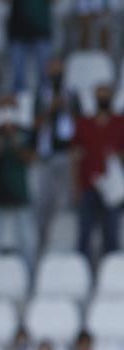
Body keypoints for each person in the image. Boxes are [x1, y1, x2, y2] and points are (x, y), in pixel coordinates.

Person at [0, 95, 38, 268]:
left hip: (20, 192)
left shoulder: (26, 132)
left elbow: (31, 159)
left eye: (10, 108)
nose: (7, 113)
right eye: (3, 108)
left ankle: (30, 275)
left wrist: (15, 143)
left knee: (27, 239)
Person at [72, 84, 124, 266]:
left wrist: (117, 155)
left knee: (111, 234)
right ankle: (80, 274)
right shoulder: (84, 123)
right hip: (88, 184)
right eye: (99, 93)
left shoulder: (120, 122)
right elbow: (76, 156)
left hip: (111, 187)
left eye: (106, 93)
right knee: (84, 234)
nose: (103, 97)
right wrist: (76, 186)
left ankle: (112, 275)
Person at [34, 57, 77, 253]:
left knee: (67, 203)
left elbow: (80, 122)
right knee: (44, 204)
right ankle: (43, 245)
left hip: (67, 153)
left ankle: (66, 246)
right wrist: (51, 108)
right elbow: (35, 124)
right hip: (48, 154)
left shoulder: (72, 94)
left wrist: (66, 107)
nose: (56, 72)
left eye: (59, 68)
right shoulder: (41, 94)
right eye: (52, 69)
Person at [7, 0, 51, 92]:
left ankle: (45, 103)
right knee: (18, 77)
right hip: (18, 31)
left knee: (45, 76)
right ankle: (21, 103)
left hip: (40, 30)